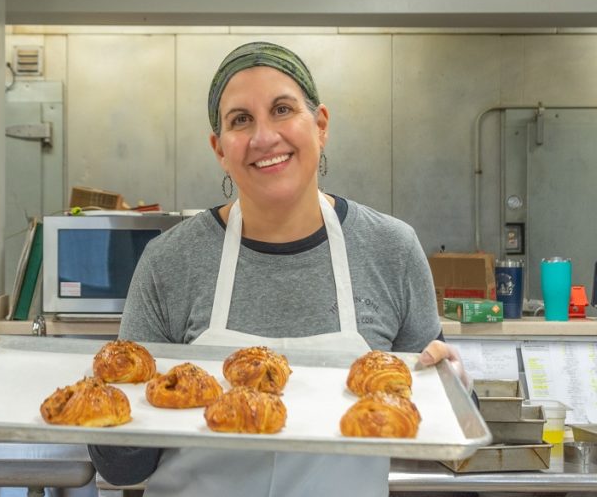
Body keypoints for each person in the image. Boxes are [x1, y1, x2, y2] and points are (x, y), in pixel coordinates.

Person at [88, 41, 471, 497]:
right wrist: (107, 403)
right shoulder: (169, 261)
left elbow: (441, 440)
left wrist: (455, 394)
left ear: (321, 125)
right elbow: (124, 470)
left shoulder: (391, 249)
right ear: (219, 148)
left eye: (282, 109)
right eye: (240, 120)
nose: (264, 137)